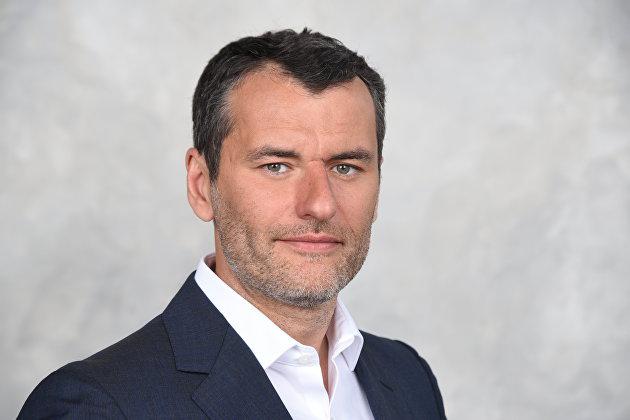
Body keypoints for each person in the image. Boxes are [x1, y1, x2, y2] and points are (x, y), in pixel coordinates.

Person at [19, 28, 446, 419]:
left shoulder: (409, 379)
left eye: (346, 167)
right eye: (276, 166)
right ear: (201, 185)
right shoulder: (98, 405)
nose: (320, 204)